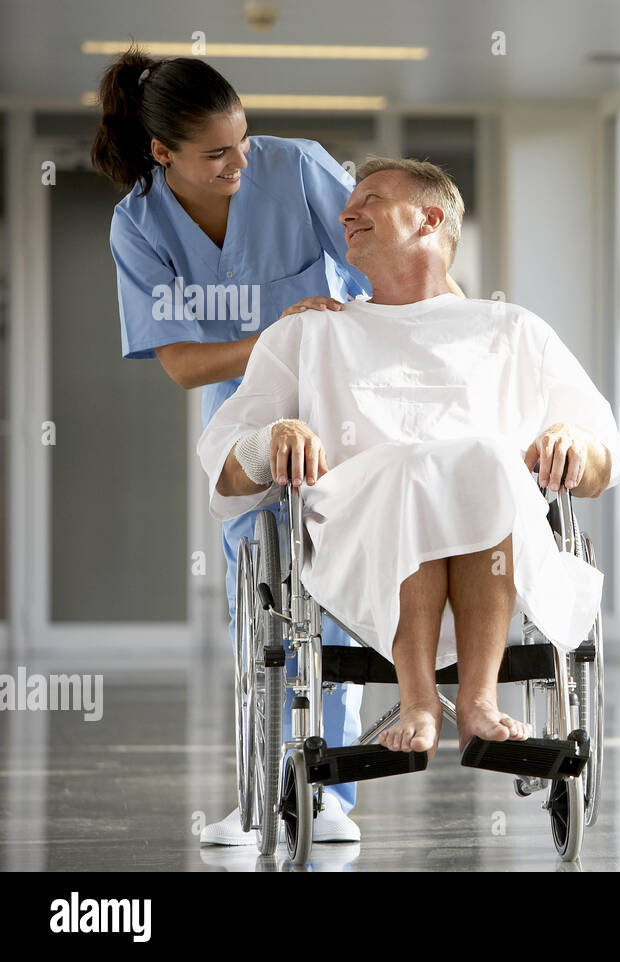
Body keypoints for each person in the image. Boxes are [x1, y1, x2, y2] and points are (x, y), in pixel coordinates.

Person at [92, 47, 462, 844]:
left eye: (243, 141)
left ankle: (328, 790)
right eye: (215, 154)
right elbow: (184, 362)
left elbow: (393, 250)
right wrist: (281, 339)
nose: (238, 162)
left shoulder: (294, 169)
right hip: (248, 414)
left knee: (333, 581)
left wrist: (460, 330)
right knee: (255, 605)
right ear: (164, 154)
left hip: (345, 397)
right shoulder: (139, 224)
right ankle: (264, 781)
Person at [196, 158, 620, 755]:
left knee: (480, 460)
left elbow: (605, 458)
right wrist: (274, 437)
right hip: (359, 542)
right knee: (410, 466)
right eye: (351, 202)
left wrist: (573, 443)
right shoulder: (311, 333)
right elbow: (225, 471)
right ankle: (419, 697)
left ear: (429, 219)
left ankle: (476, 699)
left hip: (494, 543)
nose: (348, 212)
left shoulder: (511, 329)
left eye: (371, 199)